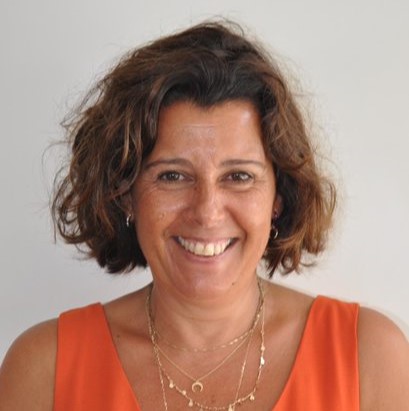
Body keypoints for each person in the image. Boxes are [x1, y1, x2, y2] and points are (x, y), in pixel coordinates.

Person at [0, 20, 408, 411]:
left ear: (279, 197)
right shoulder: (44, 370)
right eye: (172, 176)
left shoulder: (369, 359)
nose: (207, 212)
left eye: (239, 176)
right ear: (125, 194)